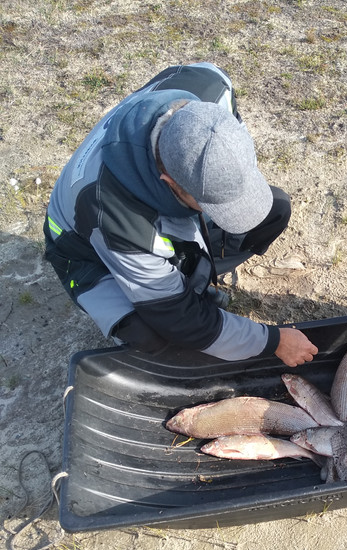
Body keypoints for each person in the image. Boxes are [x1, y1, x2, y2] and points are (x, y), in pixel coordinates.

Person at [44, 62, 317, 368]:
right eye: (206, 202)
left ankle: (190, 281)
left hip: (152, 210)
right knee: (157, 335)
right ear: (170, 182)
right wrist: (272, 341)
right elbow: (178, 319)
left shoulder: (212, 86)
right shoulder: (116, 218)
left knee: (274, 210)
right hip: (87, 255)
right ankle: (180, 290)